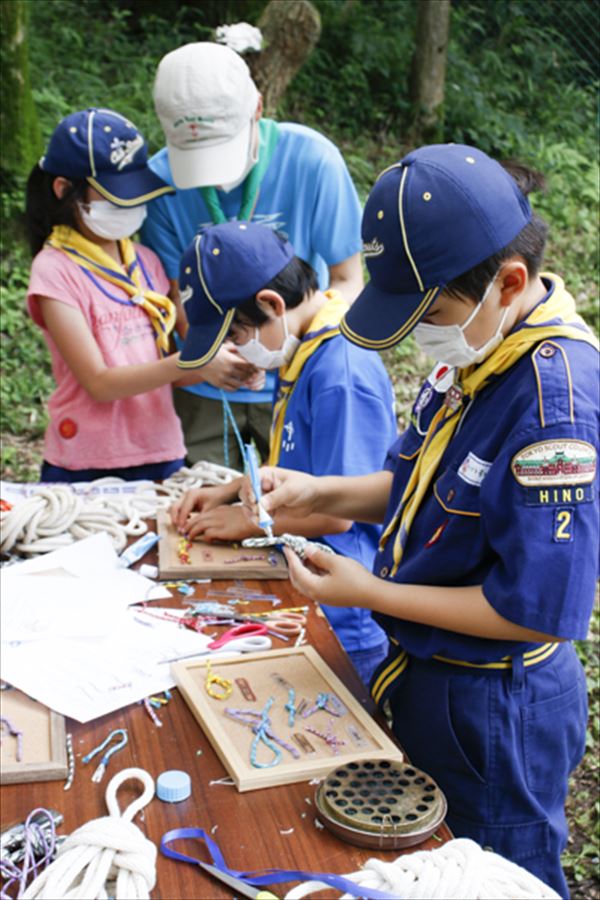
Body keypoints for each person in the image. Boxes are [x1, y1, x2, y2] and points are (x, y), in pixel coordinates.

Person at [241, 144, 599, 896]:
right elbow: (415, 483)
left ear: (509, 282)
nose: (423, 335)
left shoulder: (553, 405)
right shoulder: (482, 347)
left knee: (495, 877)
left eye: (431, 315)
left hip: (498, 710)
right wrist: (316, 493)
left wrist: (367, 591)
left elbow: (532, 612)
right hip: (433, 677)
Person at [169, 221, 398, 685]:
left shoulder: (341, 370)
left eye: (235, 337)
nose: (237, 351)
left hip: (344, 616)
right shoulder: (307, 347)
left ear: (272, 305)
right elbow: (305, 467)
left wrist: (246, 521)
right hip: (306, 581)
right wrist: (235, 489)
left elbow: (340, 513)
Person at [141, 42, 365, 468]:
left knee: (301, 507)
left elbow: (348, 278)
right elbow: (178, 298)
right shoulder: (162, 182)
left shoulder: (313, 160)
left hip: (300, 375)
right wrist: (209, 358)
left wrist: (304, 345)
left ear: (257, 108)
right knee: (202, 507)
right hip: (206, 388)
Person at [25, 107, 206, 482]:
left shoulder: (147, 262)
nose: (130, 206)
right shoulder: (54, 270)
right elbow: (99, 382)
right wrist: (191, 363)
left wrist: (218, 365)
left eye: (135, 194)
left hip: (162, 452)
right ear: (64, 190)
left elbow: (168, 367)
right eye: (115, 197)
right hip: (84, 463)